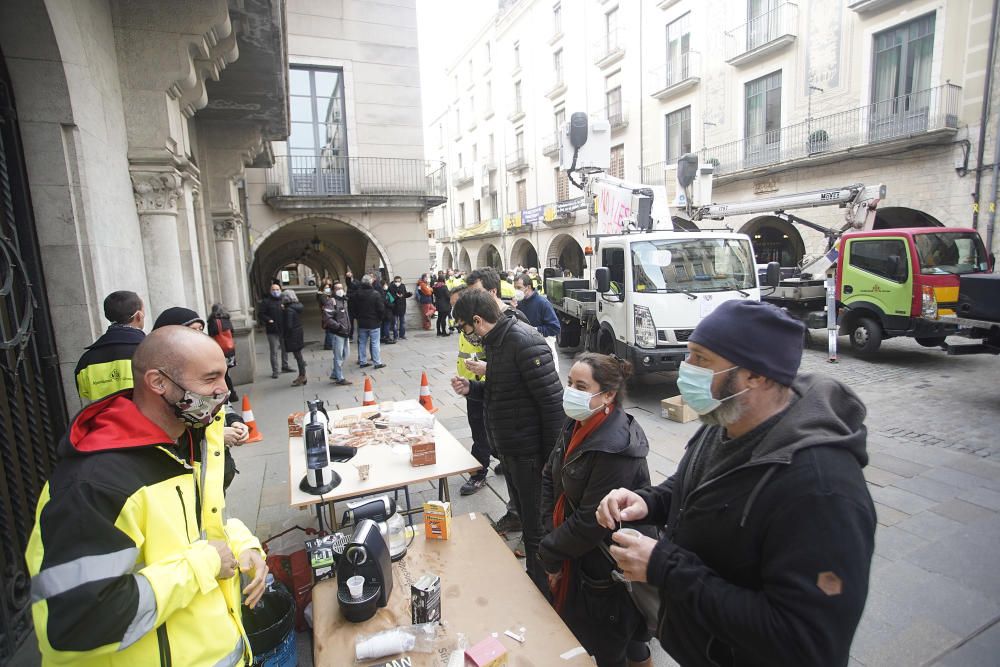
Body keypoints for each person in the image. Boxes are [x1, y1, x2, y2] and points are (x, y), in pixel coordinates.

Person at [596, 300, 876, 667]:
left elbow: (807, 643)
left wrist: (665, 565)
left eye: (700, 359)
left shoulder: (822, 491)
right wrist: (650, 501)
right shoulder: (730, 416)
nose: (685, 370)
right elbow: (698, 480)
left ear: (755, 376)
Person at [26, 326, 267, 665]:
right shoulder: (94, 485)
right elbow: (77, 624)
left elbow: (203, 527)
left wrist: (244, 546)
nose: (224, 391)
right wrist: (206, 563)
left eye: (225, 377)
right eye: (210, 378)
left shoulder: (190, 440)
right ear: (158, 382)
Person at [539, 353, 653, 667]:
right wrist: (551, 530)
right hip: (577, 549)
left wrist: (550, 551)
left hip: (608, 563)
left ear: (608, 395)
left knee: (610, 645)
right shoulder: (577, 421)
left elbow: (592, 521)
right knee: (625, 642)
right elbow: (550, 474)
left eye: (580, 385)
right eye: (569, 383)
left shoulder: (615, 447)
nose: (570, 391)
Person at [450, 289, 564, 591]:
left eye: (464, 327)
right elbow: (503, 388)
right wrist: (472, 389)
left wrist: (552, 463)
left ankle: (543, 590)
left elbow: (553, 406)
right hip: (512, 450)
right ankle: (534, 579)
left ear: (477, 320)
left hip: (529, 454)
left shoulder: (522, 341)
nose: (466, 334)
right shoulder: (497, 341)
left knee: (536, 527)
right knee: (527, 523)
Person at [152, 307, 248, 491]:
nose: (199, 337)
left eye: (200, 330)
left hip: (216, 473)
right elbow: (176, 433)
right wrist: (217, 437)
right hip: (187, 482)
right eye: (191, 331)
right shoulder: (167, 384)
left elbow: (221, 402)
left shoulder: (203, 361)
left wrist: (234, 421)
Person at [75, 290, 146, 402]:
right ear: (139, 316)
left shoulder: (86, 361)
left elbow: (86, 403)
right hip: (143, 419)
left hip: (104, 419)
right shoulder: (151, 351)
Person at [514, 272, 561, 372]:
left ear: (528, 287)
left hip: (544, 348)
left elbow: (555, 328)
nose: (516, 291)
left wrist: (535, 330)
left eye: (519, 288)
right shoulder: (519, 303)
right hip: (526, 349)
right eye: (515, 288)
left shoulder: (542, 303)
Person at [258, 282, 292, 378]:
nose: (275, 291)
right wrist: (268, 320)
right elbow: (261, 314)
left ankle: (285, 366)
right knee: (274, 351)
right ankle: (275, 371)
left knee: (285, 349)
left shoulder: (283, 300)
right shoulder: (266, 301)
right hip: (272, 330)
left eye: (277, 289)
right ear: (270, 291)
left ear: (280, 290)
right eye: (273, 289)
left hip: (283, 329)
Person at [207, 303, 239, 403]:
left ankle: (230, 394)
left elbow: (211, 335)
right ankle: (232, 394)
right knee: (226, 373)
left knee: (223, 375)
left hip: (220, 351)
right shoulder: (227, 320)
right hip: (230, 351)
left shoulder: (213, 322)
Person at [323, 280, 353, 385]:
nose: (340, 290)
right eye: (337, 288)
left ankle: (334, 373)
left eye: (341, 288)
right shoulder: (331, 301)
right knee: (338, 356)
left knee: (346, 354)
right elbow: (327, 318)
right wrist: (339, 327)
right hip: (337, 333)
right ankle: (340, 378)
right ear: (333, 290)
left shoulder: (344, 300)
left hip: (345, 333)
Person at [353, 275, 386, 369]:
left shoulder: (357, 294)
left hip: (362, 322)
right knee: (375, 343)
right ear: (371, 282)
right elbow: (381, 308)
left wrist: (357, 317)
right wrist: (380, 318)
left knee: (362, 342)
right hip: (374, 322)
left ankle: (362, 361)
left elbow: (353, 308)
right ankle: (377, 362)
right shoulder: (375, 294)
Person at [280, 289, 307, 386]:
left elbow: (288, 325)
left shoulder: (289, 310)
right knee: (298, 355)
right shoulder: (295, 307)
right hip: (298, 333)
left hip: (293, 335)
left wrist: (285, 335)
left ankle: (302, 376)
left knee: (298, 356)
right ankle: (302, 375)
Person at [388, 276, 411, 340]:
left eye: (399, 281)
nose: (397, 282)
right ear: (394, 281)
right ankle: (395, 336)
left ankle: (402, 335)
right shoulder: (390, 287)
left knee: (402, 322)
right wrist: (397, 297)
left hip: (402, 307)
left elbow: (405, 294)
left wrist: (408, 294)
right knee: (395, 323)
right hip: (394, 307)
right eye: (396, 281)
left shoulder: (403, 286)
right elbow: (390, 298)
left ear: (401, 281)